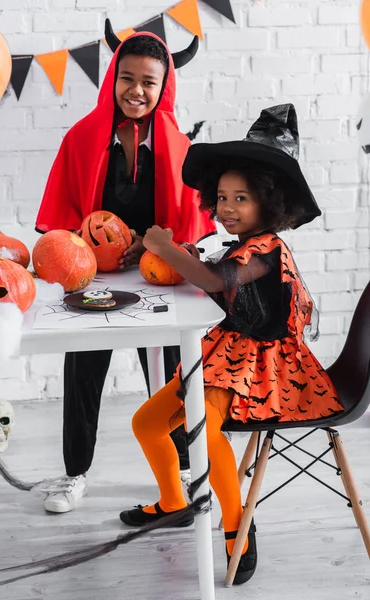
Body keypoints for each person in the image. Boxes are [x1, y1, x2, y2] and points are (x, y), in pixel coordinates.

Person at [119, 104, 344, 585]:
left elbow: (220, 283)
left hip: (259, 362)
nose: (226, 208)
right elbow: (217, 277)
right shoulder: (241, 245)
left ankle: (238, 522)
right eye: (221, 196)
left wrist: (165, 248)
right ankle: (175, 503)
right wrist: (186, 258)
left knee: (208, 431)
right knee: (147, 423)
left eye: (241, 198)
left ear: (269, 203)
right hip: (225, 352)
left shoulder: (266, 248)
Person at [35, 20, 216, 513]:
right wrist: (91, 244)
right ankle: (75, 474)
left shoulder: (179, 149)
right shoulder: (82, 138)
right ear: (113, 78)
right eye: (127, 78)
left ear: (164, 87)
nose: (136, 91)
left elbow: (190, 225)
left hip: (159, 276)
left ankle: (180, 470)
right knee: (83, 366)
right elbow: (63, 217)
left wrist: (156, 245)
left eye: (149, 82)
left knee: (171, 372)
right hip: (93, 275)